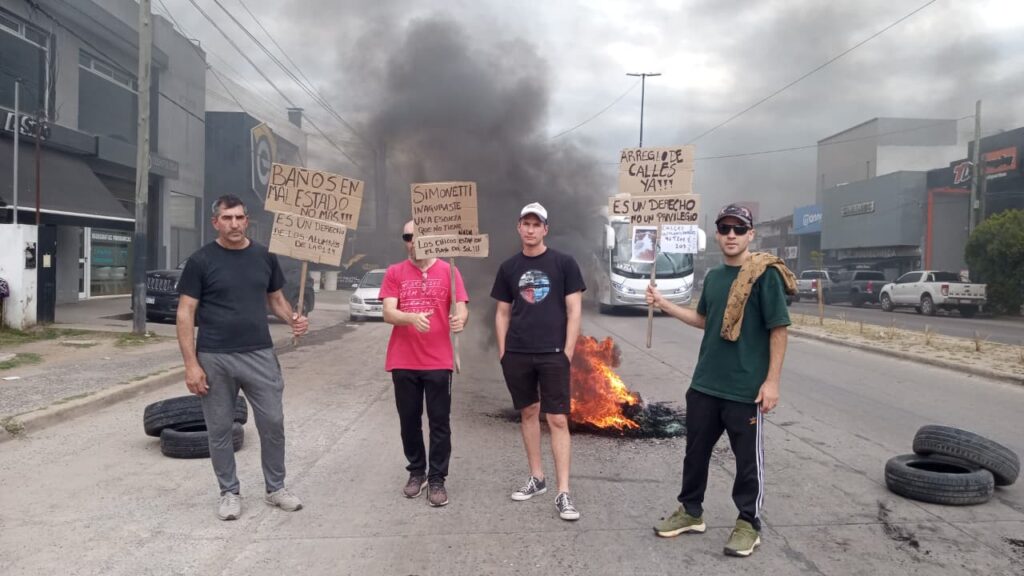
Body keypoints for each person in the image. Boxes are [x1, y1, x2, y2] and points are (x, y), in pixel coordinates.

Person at [647, 203, 793, 557]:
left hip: (744, 390)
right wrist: (663, 303)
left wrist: (771, 382)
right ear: (716, 233)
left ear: (750, 235)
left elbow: (779, 329)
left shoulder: (764, 275)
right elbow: (703, 320)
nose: (731, 235)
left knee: (747, 463)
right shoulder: (713, 277)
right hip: (704, 385)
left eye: (738, 229)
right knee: (694, 454)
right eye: (725, 228)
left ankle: (748, 523)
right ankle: (690, 512)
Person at [176, 194, 308, 521]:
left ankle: (275, 488)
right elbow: (185, 313)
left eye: (239, 218)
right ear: (215, 223)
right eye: (227, 218)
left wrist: (293, 318)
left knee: (273, 422)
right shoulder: (200, 261)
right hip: (214, 356)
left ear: (246, 220)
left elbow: (276, 300)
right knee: (220, 429)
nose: (233, 224)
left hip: (259, 354)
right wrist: (191, 365)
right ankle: (229, 492)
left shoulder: (264, 257)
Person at [491, 202, 586, 521]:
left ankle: (564, 492)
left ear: (545, 229)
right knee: (528, 413)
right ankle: (537, 478)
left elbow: (574, 311)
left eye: (536, 224)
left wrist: (568, 351)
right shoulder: (509, 267)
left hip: (553, 354)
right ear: (518, 227)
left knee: (557, 420)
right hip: (518, 353)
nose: (530, 229)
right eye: (525, 223)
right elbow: (502, 312)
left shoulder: (564, 263)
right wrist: (504, 351)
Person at [381, 220, 469, 507]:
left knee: (439, 422)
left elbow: (461, 307)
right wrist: (410, 318)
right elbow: (389, 312)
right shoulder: (395, 272)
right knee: (409, 421)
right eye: (408, 236)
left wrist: (460, 319)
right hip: (403, 360)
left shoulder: (449, 271)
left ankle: (437, 478)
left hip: (438, 360)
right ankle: (416, 471)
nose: (413, 242)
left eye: (419, 236)